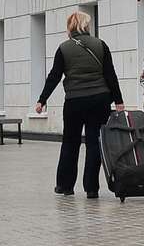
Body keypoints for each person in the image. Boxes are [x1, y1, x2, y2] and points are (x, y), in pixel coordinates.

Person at [32, 10, 124, 199]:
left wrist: (42, 99)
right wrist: (119, 101)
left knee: (70, 142)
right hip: (100, 100)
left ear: (70, 27)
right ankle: (91, 188)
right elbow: (110, 74)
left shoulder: (64, 48)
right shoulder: (100, 45)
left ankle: (65, 186)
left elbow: (54, 76)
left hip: (74, 101)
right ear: (86, 25)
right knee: (94, 143)